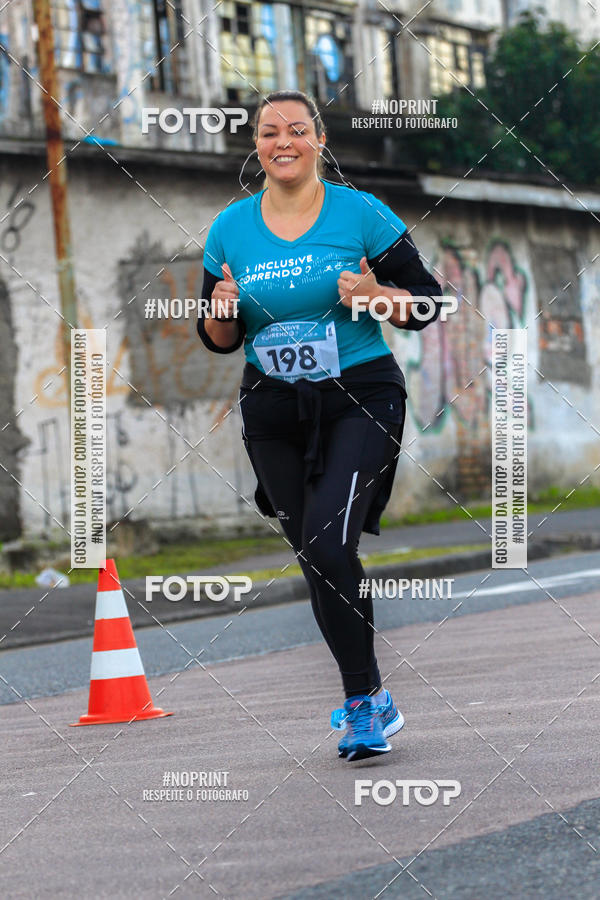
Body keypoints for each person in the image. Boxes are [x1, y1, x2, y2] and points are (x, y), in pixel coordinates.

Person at [197, 89, 443, 761]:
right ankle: (369, 698)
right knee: (316, 555)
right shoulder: (230, 228)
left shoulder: (360, 213)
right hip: (274, 410)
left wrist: (377, 296)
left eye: (297, 130)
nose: (284, 141)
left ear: (319, 139)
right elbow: (217, 338)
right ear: (256, 144)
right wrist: (221, 306)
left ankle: (363, 704)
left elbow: (428, 304)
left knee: (329, 543)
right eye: (270, 131)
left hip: (359, 396)